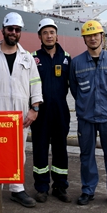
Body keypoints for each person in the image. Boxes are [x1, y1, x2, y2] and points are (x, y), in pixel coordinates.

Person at [0, 12, 41, 210]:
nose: (13, 32)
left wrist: (34, 108)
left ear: (20, 32)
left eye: (17, 29)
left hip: (20, 114)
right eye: (10, 29)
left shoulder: (27, 58)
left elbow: (35, 83)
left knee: (18, 152)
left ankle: (17, 189)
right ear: (3, 30)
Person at [69, 20, 107, 208]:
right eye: (89, 36)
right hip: (86, 117)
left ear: (102, 37)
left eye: (95, 35)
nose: (92, 38)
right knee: (86, 156)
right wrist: (87, 104)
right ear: (84, 39)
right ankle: (88, 190)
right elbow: (75, 90)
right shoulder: (76, 63)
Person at [31, 18, 72, 203]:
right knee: (40, 148)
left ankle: (60, 186)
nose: (49, 36)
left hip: (60, 110)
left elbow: (74, 85)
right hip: (40, 111)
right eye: (45, 33)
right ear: (39, 36)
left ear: (57, 35)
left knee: (60, 148)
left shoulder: (67, 58)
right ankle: (41, 187)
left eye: (52, 32)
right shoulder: (33, 58)